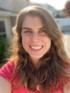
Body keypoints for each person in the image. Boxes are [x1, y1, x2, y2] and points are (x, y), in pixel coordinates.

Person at [0, 5, 70, 93]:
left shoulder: (66, 73)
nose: (34, 39)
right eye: (27, 31)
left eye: (43, 31)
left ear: (52, 35)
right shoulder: (10, 71)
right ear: (20, 36)